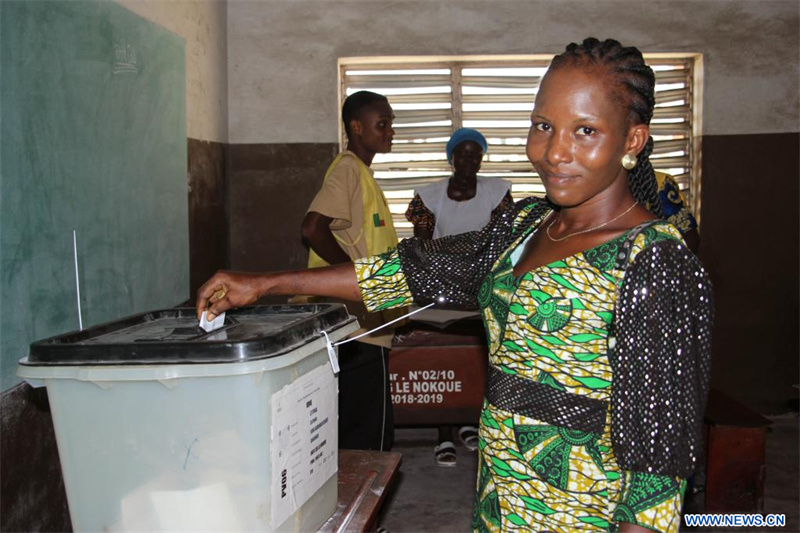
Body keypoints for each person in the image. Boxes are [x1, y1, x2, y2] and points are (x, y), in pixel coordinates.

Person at [197, 38, 713, 533]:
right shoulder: (524, 227)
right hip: (498, 501)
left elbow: (659, 461)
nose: (555, 151)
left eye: (585, 131)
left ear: (632, 141)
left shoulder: (656, 260)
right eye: (543, 126)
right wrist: (266, 283)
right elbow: (408, 270)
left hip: (581, 512)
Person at [405, 127, 513, 467]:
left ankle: (469, 421)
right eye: (462, 154)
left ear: (482, 159)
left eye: (475, 154)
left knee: (476, 357)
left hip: (481, 285)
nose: (469, 160)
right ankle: (444, 433)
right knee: (443, 358)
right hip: (440, 285)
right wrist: (444, 270)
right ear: (451, 158)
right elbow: (423, 245)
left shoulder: (497, 193)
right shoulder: (429, 196)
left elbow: (502, 241)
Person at [299, 90, 398, 451]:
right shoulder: (348, 168)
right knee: (372, 441)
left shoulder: (363, 174)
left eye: (391, 124)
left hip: (364, 324)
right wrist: (353, 279)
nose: (390, 131)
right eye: (382, 124)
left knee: (352, 435)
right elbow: (313, 228)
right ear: (356, 127)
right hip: (359, 328)